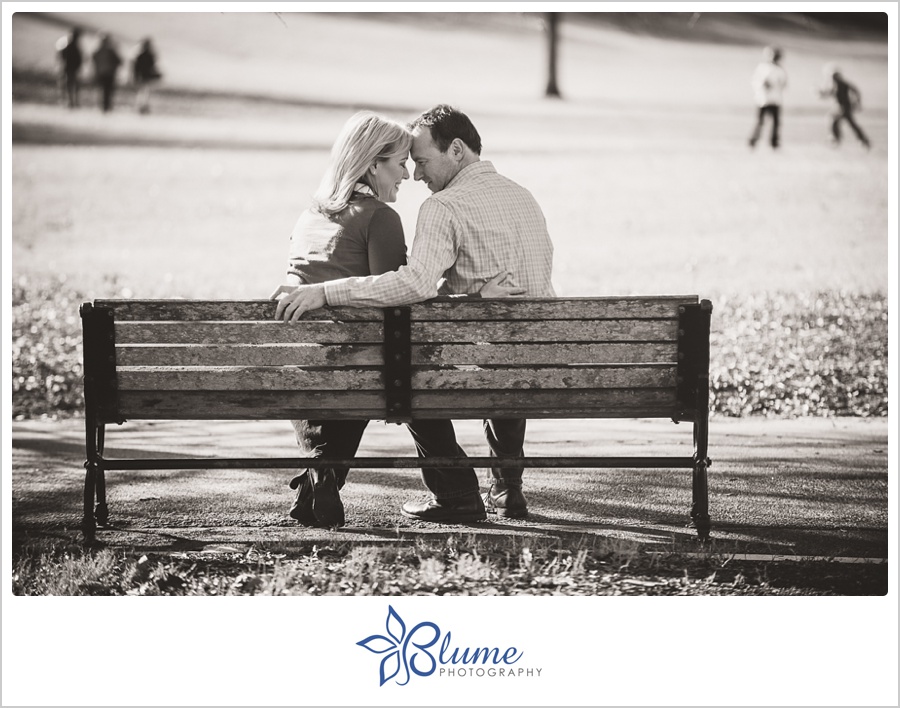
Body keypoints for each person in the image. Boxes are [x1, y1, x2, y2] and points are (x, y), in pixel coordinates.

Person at [273, 104, 555, 524]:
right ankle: (503, 485)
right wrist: (472, 303)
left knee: (407, 368)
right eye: (406, 163)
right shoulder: (524, 197)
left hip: (325, 370)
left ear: (456, 150)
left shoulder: (435, 207)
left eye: (419, 161)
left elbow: (411, 290)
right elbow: (413, 295)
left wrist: (326, 293)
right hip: (547, 358)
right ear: (372, 165)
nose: (414, 174)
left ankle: (445, 491)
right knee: (414, 366)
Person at [819, 65, 870, 149]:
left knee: (833, 119)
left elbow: (855, 91)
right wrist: (821, 93)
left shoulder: (840, 84)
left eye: (832, 76)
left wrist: (857, 102)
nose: (831, 78)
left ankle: (836, 138)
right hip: (842, 107)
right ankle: (863, 140)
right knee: (849, 123)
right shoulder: (838, 84)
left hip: (843, 107)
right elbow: (829, 93)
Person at [748, 46, 787, 150]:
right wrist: (763, 85)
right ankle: (753, 140)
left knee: (776, 122)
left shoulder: (780, 69)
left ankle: (774, 142)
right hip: (763, 99)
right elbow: (756, 82)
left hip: (776, 99)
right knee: (760, 121)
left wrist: (776, 86)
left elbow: (783, 83)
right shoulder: (762, 67)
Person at [92, 34, 122, 113]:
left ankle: (103, 106)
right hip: (108, 73)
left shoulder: (97, 51)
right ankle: (106, 106)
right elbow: (119, 61)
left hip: (102, 73)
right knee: (107, 91)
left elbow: (94, 61)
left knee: (103, 90)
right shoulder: (111, 51)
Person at [132, 38, 162, 115]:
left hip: (143, 76)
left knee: (143, 92)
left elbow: (136, 67)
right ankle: (142, 107)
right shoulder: (148, 55)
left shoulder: (140, 55)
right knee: (145, 93)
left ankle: (142, 107)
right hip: (145, 76)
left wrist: (135, 76)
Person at [55, 28, 83, 108]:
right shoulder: (70, 46)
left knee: (70, 86)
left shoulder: (70, 46)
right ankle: (70, 102)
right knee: (70, 86)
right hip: (69, 69)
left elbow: (61, 56)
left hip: (70, 69)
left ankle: (70, 102)